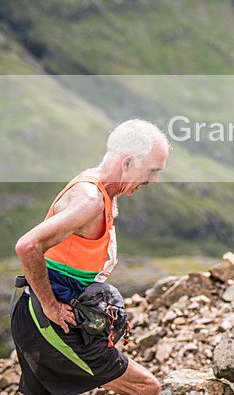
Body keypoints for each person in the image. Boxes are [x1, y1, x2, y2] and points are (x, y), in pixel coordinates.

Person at [11, 119, 170, 395]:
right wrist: (51, 306)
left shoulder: (103, 188)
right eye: (152, 170)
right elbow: (28, 246)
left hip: (39, 316)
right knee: (146, 388)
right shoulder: (90, 200)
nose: (153, 180)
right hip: (49, 322)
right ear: (128, 162)